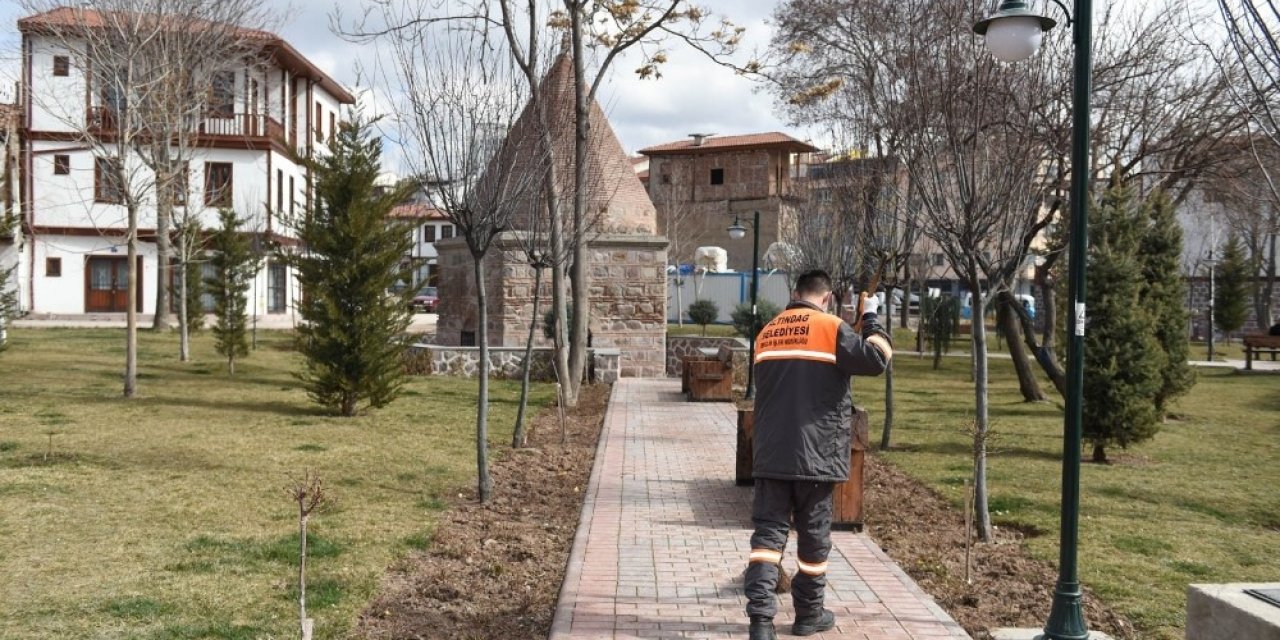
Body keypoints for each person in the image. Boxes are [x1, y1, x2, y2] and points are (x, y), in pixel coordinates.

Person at [744, 270, 893, 640]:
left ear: (795, 293)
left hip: (772, 453)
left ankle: (761, 622)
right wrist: (871, 317)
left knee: (767, 537)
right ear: (826, 297)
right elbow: (877, 359)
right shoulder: (831, 328)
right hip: (817, 454)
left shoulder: (768, 332)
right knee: (813, 538)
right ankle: (808, 615)